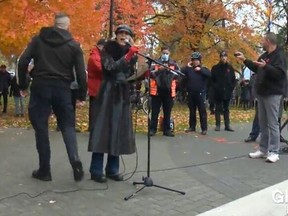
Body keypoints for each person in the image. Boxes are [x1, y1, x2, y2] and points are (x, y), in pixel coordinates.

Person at [17, 12, 87, 181]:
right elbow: (80, 73)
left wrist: (23, 86)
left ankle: (44, 170)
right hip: (63, 89)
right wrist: (81, 95)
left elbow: (22, 61)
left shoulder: (38, 40)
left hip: (41, 86)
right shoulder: (73, 45)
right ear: (67, 26)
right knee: (67, 126)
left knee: (41, 128)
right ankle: (74, 159)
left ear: (54, 24)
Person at [88, 24, 138, 183]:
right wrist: (128, 57)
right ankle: (96, 170)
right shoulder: (107, 49)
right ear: (116, 35)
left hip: (122, 94)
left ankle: (112, 169)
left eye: (127, 34)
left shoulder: (131, 52)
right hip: (108, 93)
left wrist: (138, 69)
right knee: (103, 129)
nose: (124, 36)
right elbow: (110, 68)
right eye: (121, 33)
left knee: (118, 130)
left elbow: (129, 72)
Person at [235, 32, 287, 163]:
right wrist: (244, 59)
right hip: (262, 93)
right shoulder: (264, 56)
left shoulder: (279, 55)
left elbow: (280, 74)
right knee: (262, 122)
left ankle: (274, 151)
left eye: (263, 40)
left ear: (269, 42)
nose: (261, 43)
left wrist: (267, 67)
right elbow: (256, 67)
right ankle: (263, 150)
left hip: (273, 93)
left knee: (273, 123)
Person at [149, 46, 179, 137]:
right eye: (163, 53)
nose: (165, 55)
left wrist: (169, 71)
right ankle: (152, 129)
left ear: (169, 54)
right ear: (161, 53)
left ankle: (167, 130)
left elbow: (178, 75)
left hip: (168, 91)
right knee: (155, 111)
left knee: (167, 112)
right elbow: (150, 74)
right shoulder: (155, 63)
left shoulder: (173, 63)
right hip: (157, 91)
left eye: (167, 53)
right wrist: (159, 70)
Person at [181, 52, 211, 135]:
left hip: (200, 93)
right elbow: (181, 72)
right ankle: (192, 127)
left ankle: (204, 128)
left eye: (197, 60)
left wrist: (200, 70)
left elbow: (210, 74)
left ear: (200, 61)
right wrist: (187, 65)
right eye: (194, 60)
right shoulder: (189, 69)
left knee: (202, 111)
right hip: (191, 93)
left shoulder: (204, 69)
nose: (195, 62)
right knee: (192, 111)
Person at [211, 51, 236, 132]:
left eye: (225, 56)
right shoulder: (215, 68)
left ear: (227, 57)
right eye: (222, 56)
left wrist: (231, 88)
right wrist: (216, 87)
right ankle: (218, 125)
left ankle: (227, 125)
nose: (224, 58)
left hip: (227, 92)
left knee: (226, 109)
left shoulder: (230, 68)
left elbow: (233, 80)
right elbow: (212, 80)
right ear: (220, 57)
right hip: (218, 92)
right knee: (218, 108)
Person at [87, 38, 106, 131]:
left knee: (96, 106)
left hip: (97, 84)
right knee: (95, 106)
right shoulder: (95, 56)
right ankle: (93, 127)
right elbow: (100, 69)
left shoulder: (97, 55)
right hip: (96, 85)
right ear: (100, 46)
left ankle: (94, 126)